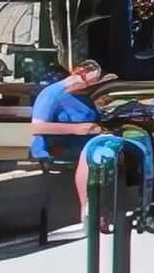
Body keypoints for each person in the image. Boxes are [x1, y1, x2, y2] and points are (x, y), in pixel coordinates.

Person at [26, 59, 114, 225]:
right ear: (76, 72)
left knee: (109, 149)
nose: (87, 85)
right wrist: (76, 129)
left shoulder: (81, 95)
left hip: (85, 139)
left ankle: (101, 205)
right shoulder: (51, 94)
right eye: (87, 81)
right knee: (92, 154)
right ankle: (89, 209)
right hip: (61, 145)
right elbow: (37, 128)